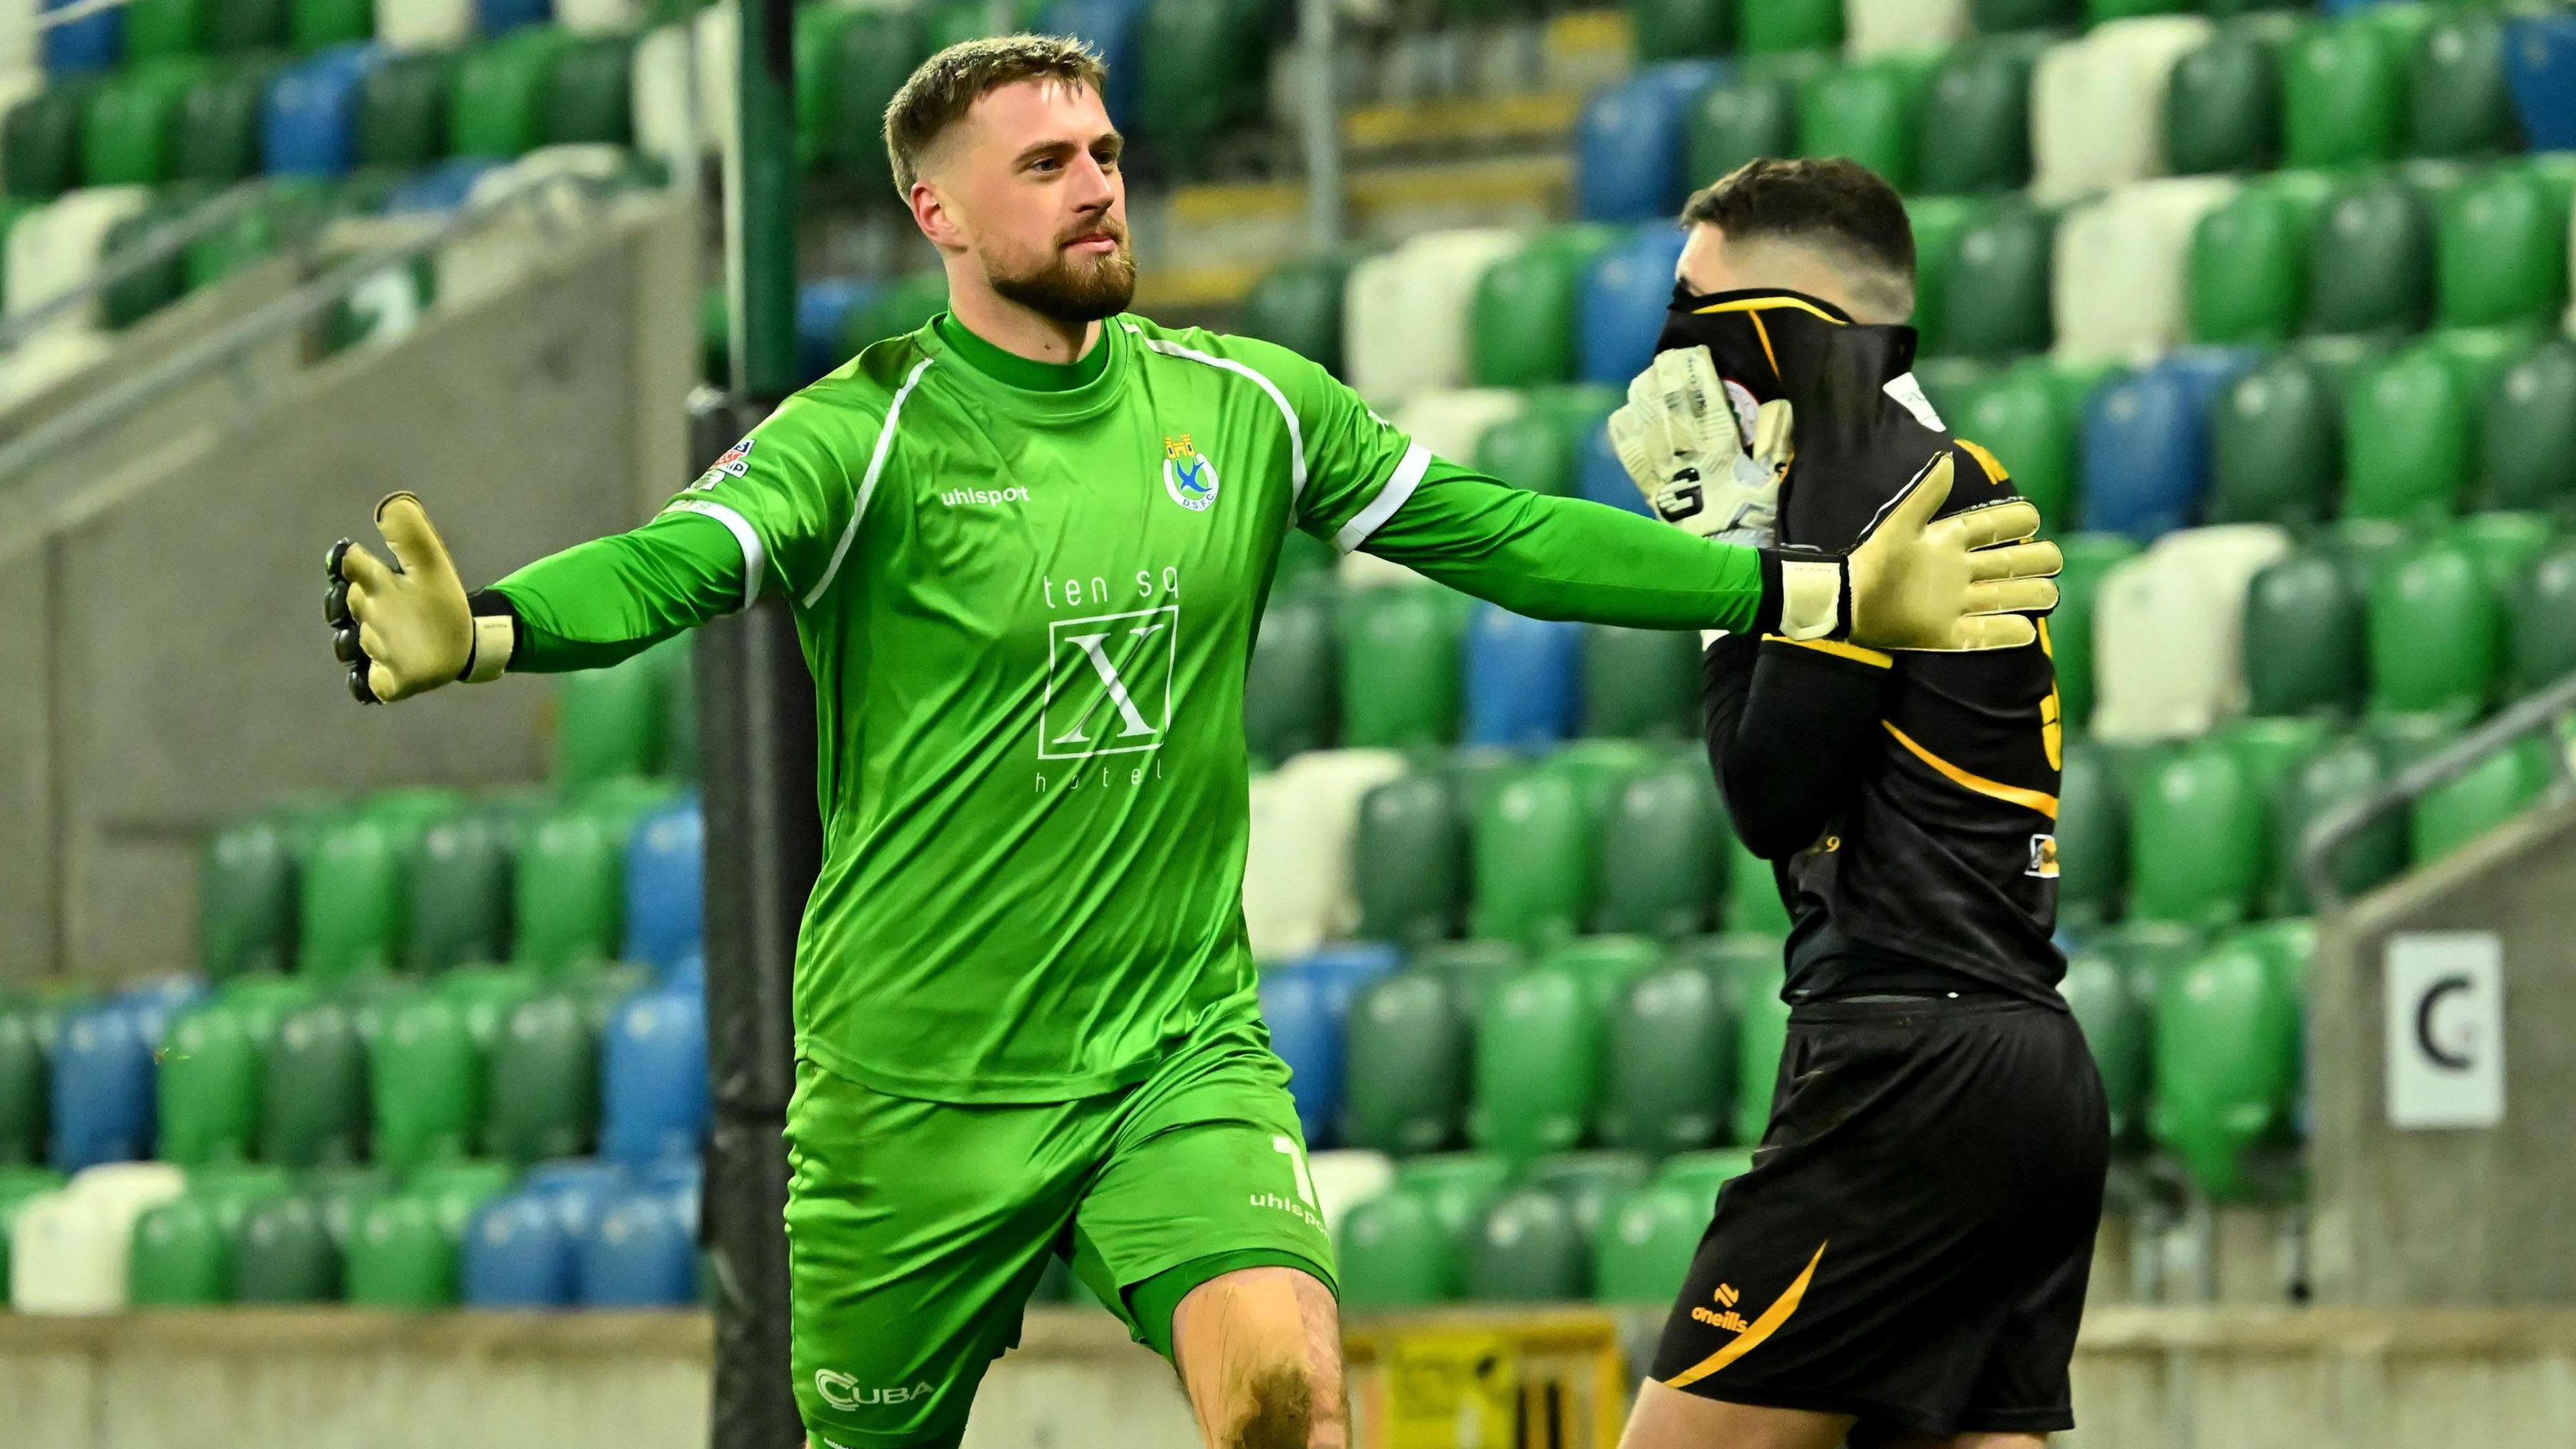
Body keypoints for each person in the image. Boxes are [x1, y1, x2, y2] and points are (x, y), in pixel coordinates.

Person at [319, 40, 2060, 1449]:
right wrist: (488, 630)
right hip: (913, 1093)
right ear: (936, 209)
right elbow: (675, 562)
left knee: (1289, 1398)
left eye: (1105, 153)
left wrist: (1809, 589)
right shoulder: (861, 437)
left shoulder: (1244, 403)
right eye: (1045, 165)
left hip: (1171, 1058)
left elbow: (1503, 535)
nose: (1095, 186)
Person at [1607, 157, 2106, 1449]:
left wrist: (1719, 565)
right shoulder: (1933, 463)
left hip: (1903, 1071)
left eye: (1694, 309)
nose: (1674, 351)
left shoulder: (1861, 489)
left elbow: (1769, 792)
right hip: (2022, 1065)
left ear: (1782, 318)